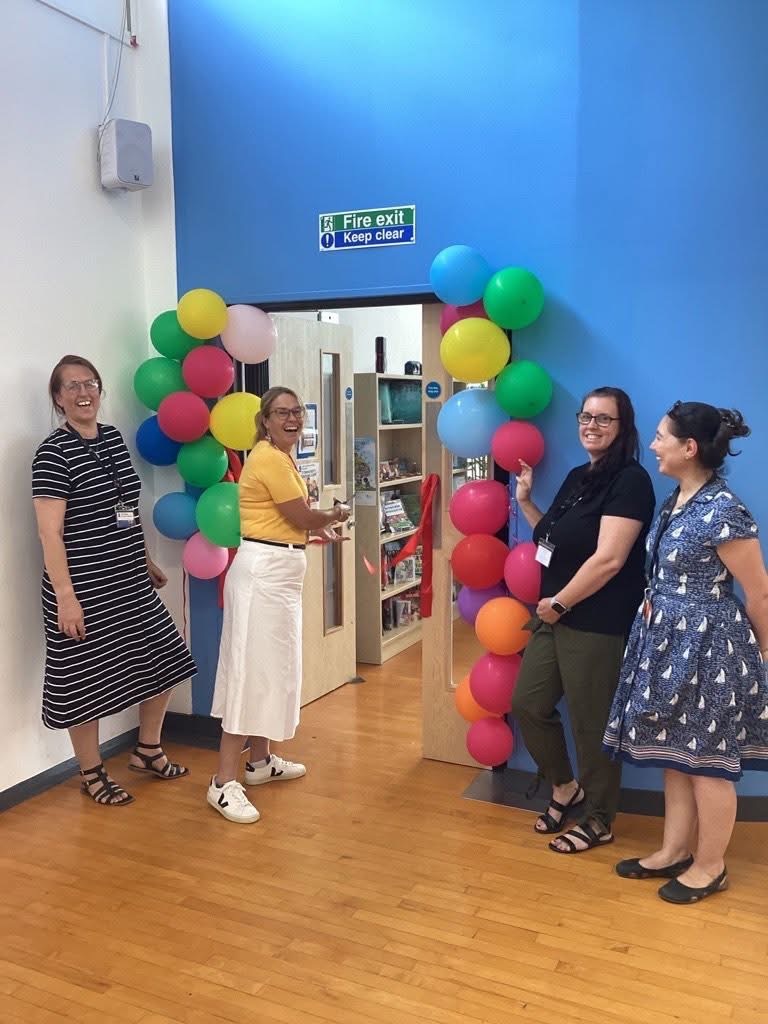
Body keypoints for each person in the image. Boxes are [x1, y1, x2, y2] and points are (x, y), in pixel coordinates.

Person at [604, 402, 768, 903]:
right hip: (666, 643)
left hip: (708, 649)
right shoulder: (676, 498)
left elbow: (759, 592)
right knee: (676, 753)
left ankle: (711, 866)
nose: (653, 445)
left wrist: (765, 652)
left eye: (661, 437)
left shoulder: (724, 510)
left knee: (708, 761)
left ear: (689, 448)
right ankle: (674, 850)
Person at [33, 355, 197, 806]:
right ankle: (91, 773)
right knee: (82, 681)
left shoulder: (112, 439)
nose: (83, 393)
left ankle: (147, 750)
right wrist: (66, 599)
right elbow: (49, 534)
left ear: (100, 391)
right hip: (82, 588)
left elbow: (124, 507)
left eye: (90, 383)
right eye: (72, 386)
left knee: (166, 659)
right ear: (58, 398)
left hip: (127, 578)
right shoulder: (52, 453)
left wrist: (143, 557)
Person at [510, 387, 656, 853]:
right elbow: (550, 539)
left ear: (622, 427)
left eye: (604, 419)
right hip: (555, 615)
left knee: (592, 724)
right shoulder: (579, 476)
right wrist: (526, 500)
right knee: (528, 704)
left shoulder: (631, 481)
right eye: (586, 417)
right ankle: (564, 787)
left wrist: (559, 604)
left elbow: (610, 559)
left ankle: (599, 818)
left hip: (596, 621)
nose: (591, 426)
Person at [208, 386, 351, 823]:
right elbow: (300, 516)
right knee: (249, 674)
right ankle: (222, 783)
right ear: (265, 421)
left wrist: (314, 530)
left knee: (274, 669)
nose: (292, 419)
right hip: (262, 575)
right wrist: (332, 515)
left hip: (280, 571)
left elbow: (283, 520)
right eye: (282, 413)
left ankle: (260, 761)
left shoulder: (281, 457)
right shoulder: (269, 458)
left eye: (296, 412)